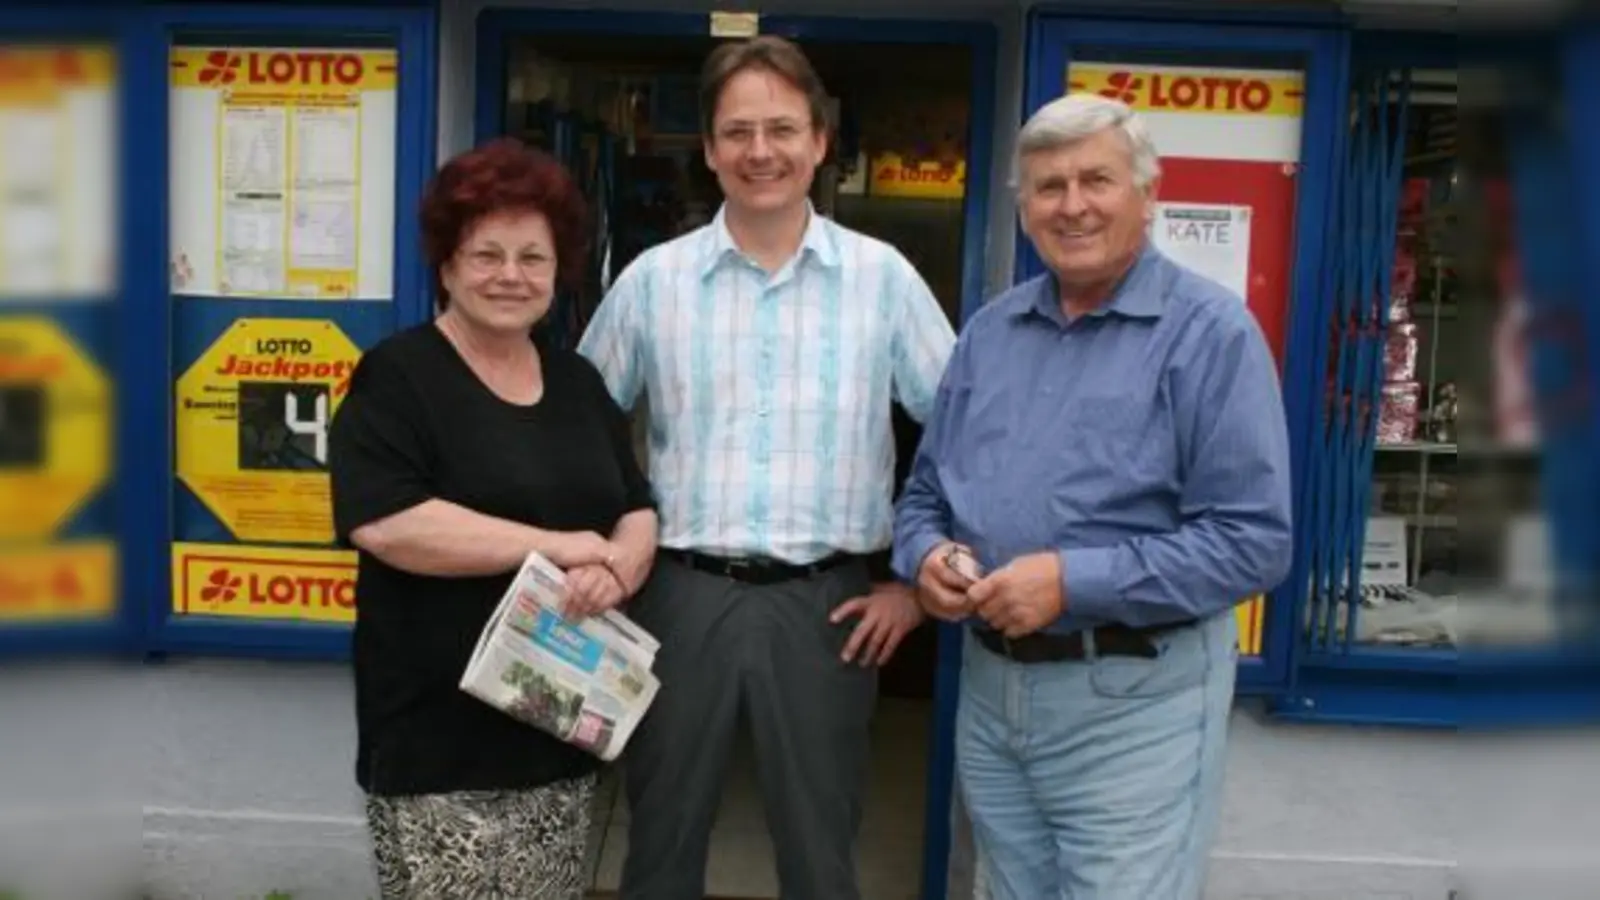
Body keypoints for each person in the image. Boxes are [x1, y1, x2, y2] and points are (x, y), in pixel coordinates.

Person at [577, 35, 957, 900]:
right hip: (676, 597)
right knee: (660, 842)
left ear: (820, 141)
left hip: (831, 606)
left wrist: (914, 584)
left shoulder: (884, 280)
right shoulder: (653, 282)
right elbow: (578, 427)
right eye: (738, 131)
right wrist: (600, 553)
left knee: (821, 852)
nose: (761, 151)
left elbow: (966, 434)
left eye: (782, 129)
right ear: (710, 150)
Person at [893, 93, 1294, 899]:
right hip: (992, 693)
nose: (1072, 205)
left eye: (1096, 181)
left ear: (1148, 195)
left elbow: (1253, 541)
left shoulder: (1211, 335)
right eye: (1049, 186)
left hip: (1133, 703)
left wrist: (1070, 582)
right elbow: (924, 492)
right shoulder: (991, 334)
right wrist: (927, 556)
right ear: (1024, 210)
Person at [328, 138, 659, 900]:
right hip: (438, 741)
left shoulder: (576, 382)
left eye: (532, 258)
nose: (511, 275)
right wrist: (556, 547)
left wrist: (617, 568)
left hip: (557, 721)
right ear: (446, 266)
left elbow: (635, 507)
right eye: (487, 255)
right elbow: (387, 523)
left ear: (558, 271)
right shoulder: (399, 377)